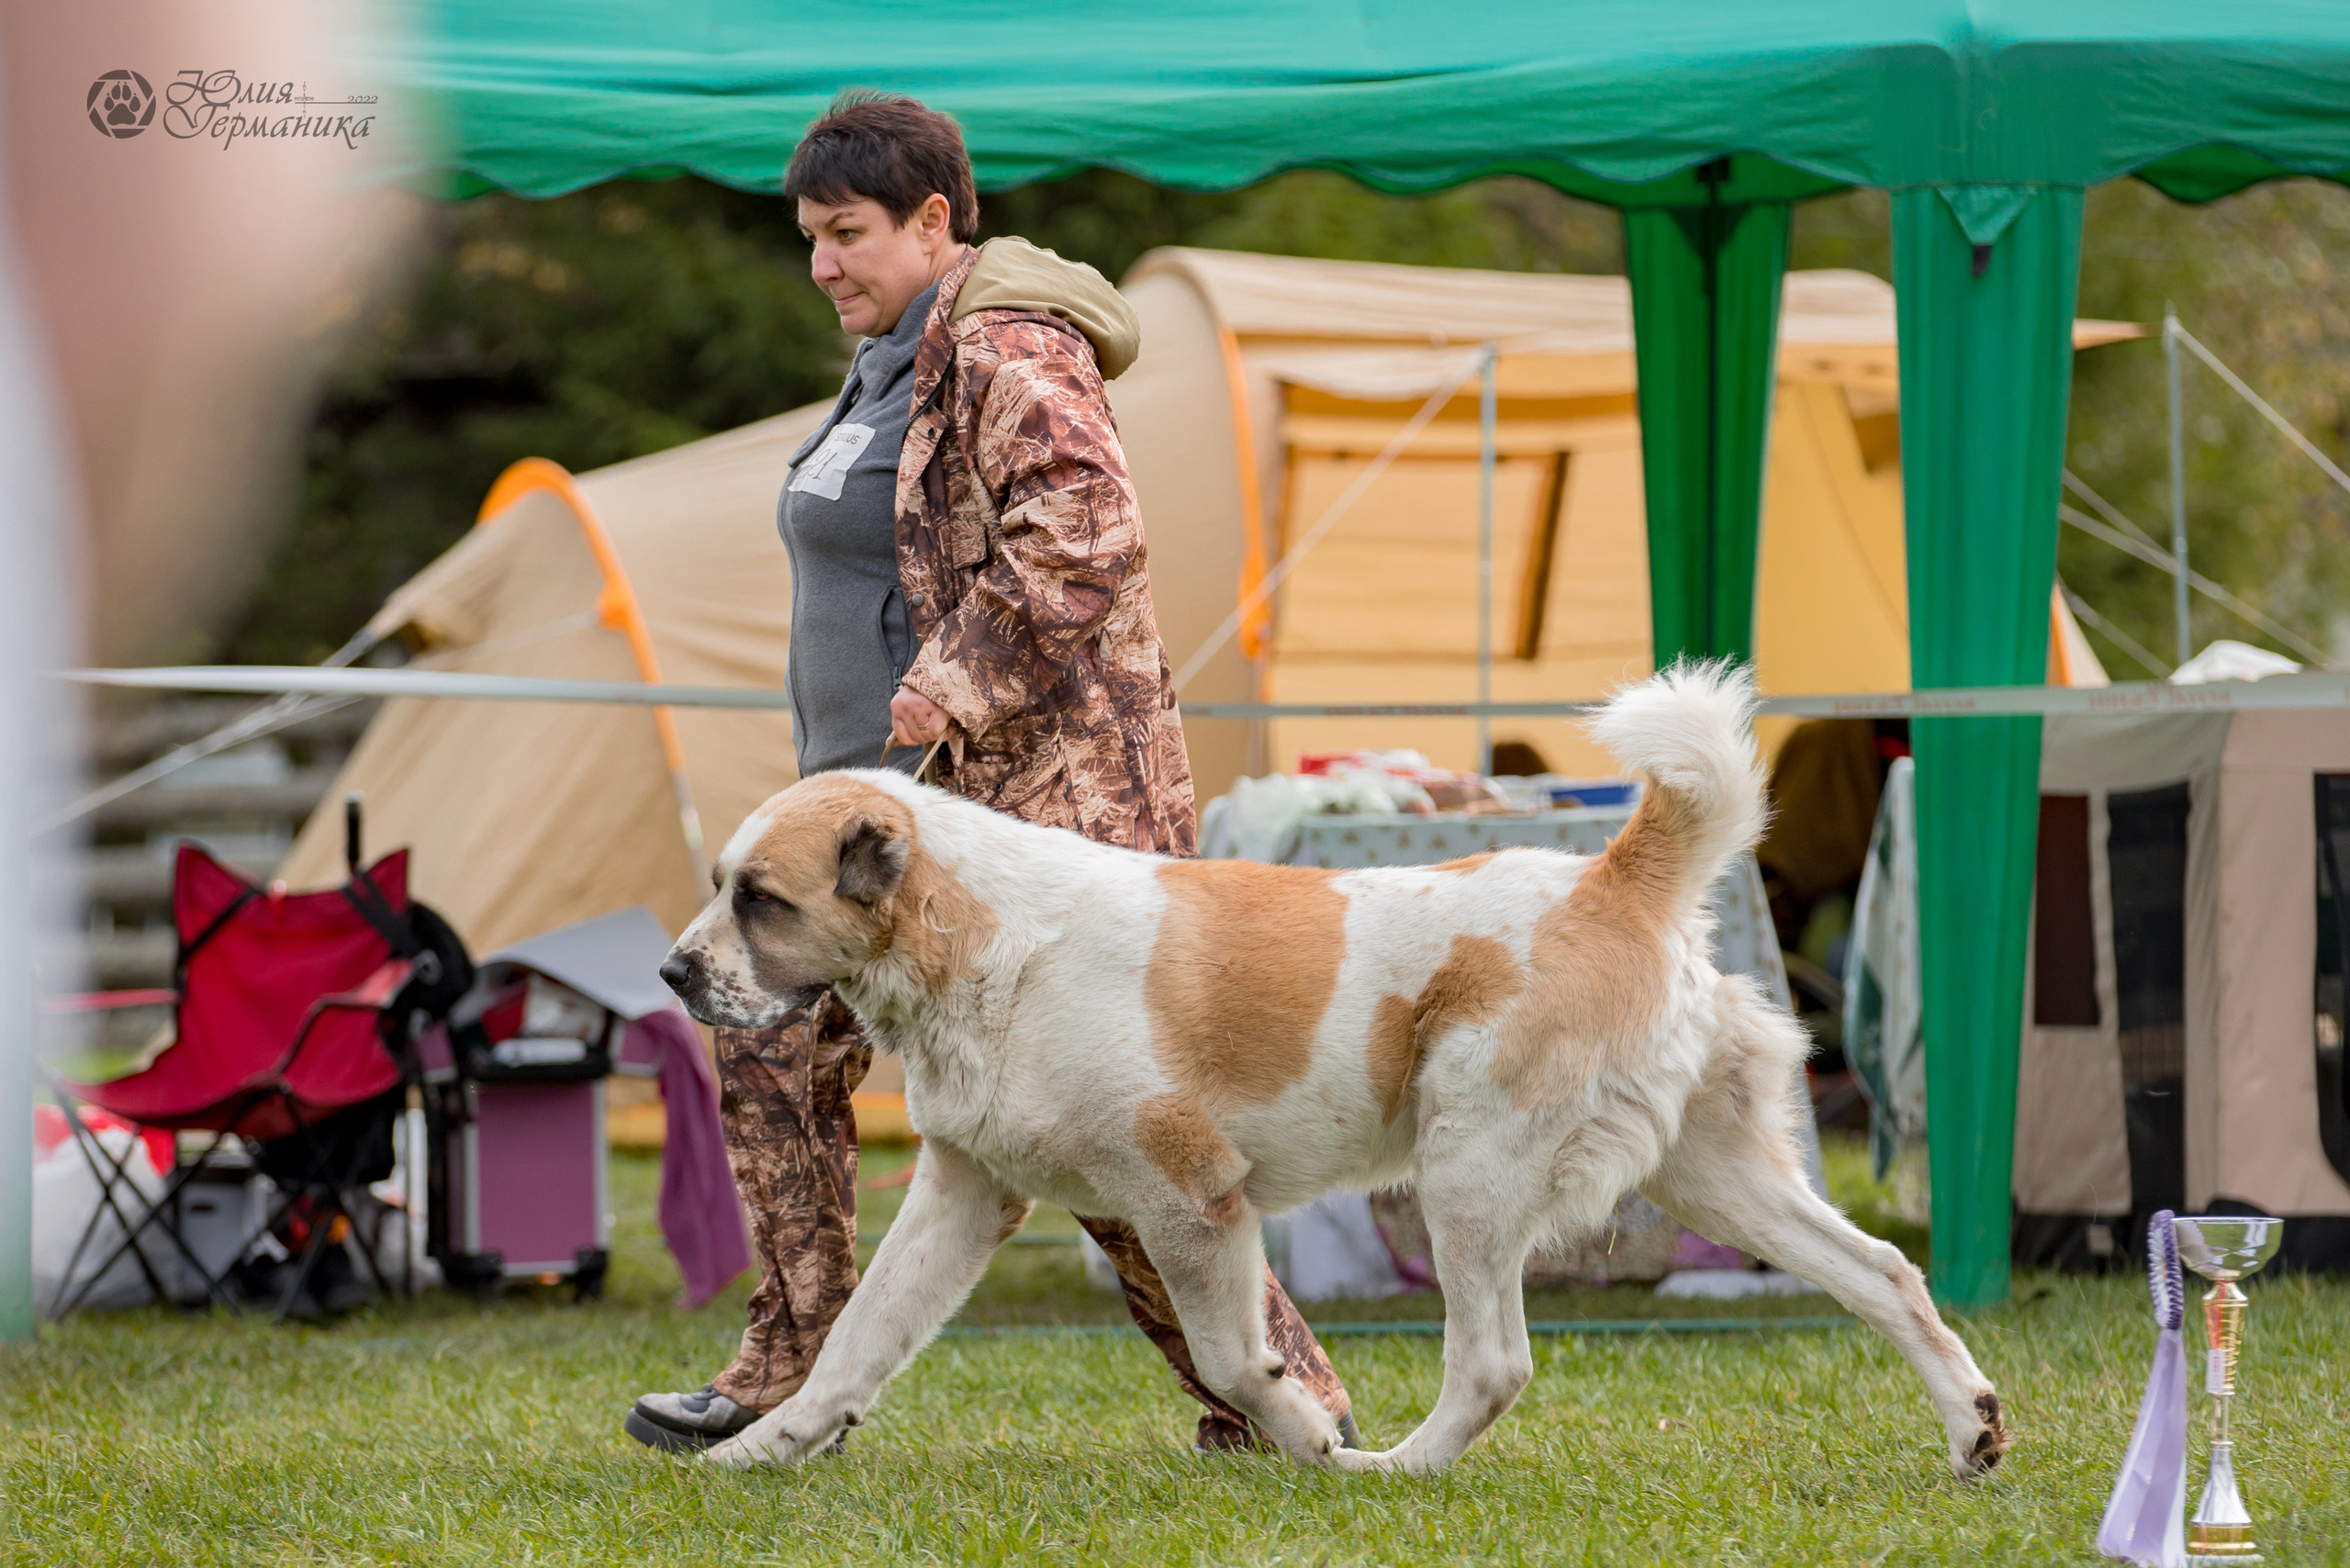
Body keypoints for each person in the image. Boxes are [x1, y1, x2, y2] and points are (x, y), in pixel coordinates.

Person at [626, 91, 1356, 1456]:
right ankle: (786, 1377)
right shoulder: (887, 353)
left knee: (1109, 1142)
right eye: (808, 237)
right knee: (773, 1040)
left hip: (1040, 818)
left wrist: (941, 691)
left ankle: (1280, 1395)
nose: (821, 263)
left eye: (847, 234)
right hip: (874, 826)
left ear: (935, 222)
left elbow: (1092, 538)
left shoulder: (1010, 345)